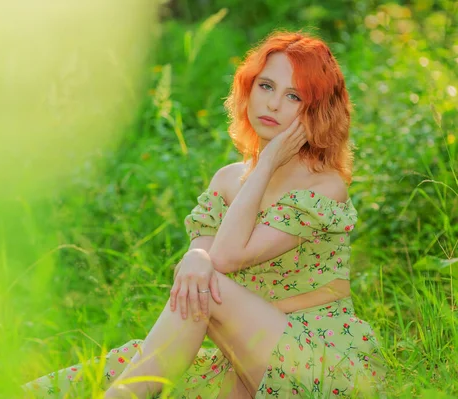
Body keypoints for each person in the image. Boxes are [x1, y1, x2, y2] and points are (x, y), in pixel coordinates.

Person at [22, 30, 387, 399]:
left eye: (293, 96)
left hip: (322, 363)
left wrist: (267, 163)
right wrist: (196, 255)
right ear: (249, 89)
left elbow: (225, 260)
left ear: (316, 111)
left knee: (206, 290)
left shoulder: (323, 188)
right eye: (265, 86)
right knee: (127, 362)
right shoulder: (228, 180)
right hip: (243, 355)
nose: (273, 104)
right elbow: (204, 261)